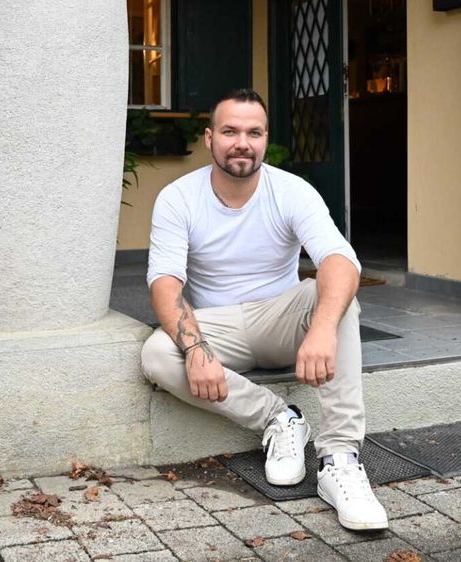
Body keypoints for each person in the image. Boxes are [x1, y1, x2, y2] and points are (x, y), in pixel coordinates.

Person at [140, 88, 387, 531]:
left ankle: (339, 459)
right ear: (209, 138)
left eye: (253, 132)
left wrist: (322, 328)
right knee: (157, 354)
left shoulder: (292, 191)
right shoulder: (178, 197)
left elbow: (340, 260)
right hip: (219, 326)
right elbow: (165, 282)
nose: (242, 143)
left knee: (339, 298)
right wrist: (196, 349)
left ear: (265, 138)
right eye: (230, 131)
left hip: (280, 319)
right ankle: (279, 419)